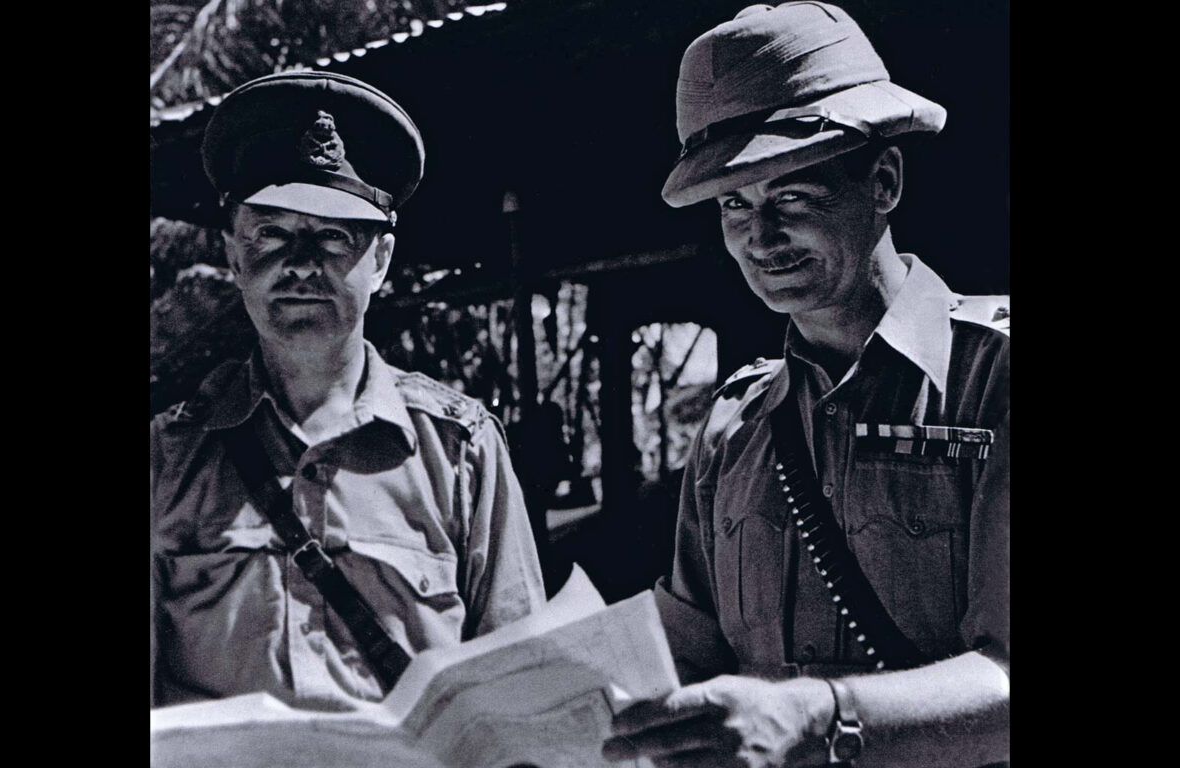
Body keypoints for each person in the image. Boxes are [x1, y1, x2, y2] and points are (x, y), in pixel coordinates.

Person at [603, 4, 1008, 766]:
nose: (760, 237)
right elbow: (684, 655)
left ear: (882, 181)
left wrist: (818, 717)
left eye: (791, 197)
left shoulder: (992, 385)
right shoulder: (737, 425)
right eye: (734, 205)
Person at [150, 72, 546, 711]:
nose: (300, 263)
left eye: (334, 236)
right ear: (232, 252)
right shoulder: (165, 459)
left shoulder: (460, 452)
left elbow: (523, 695)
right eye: (271, 234)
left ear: (382, 260)